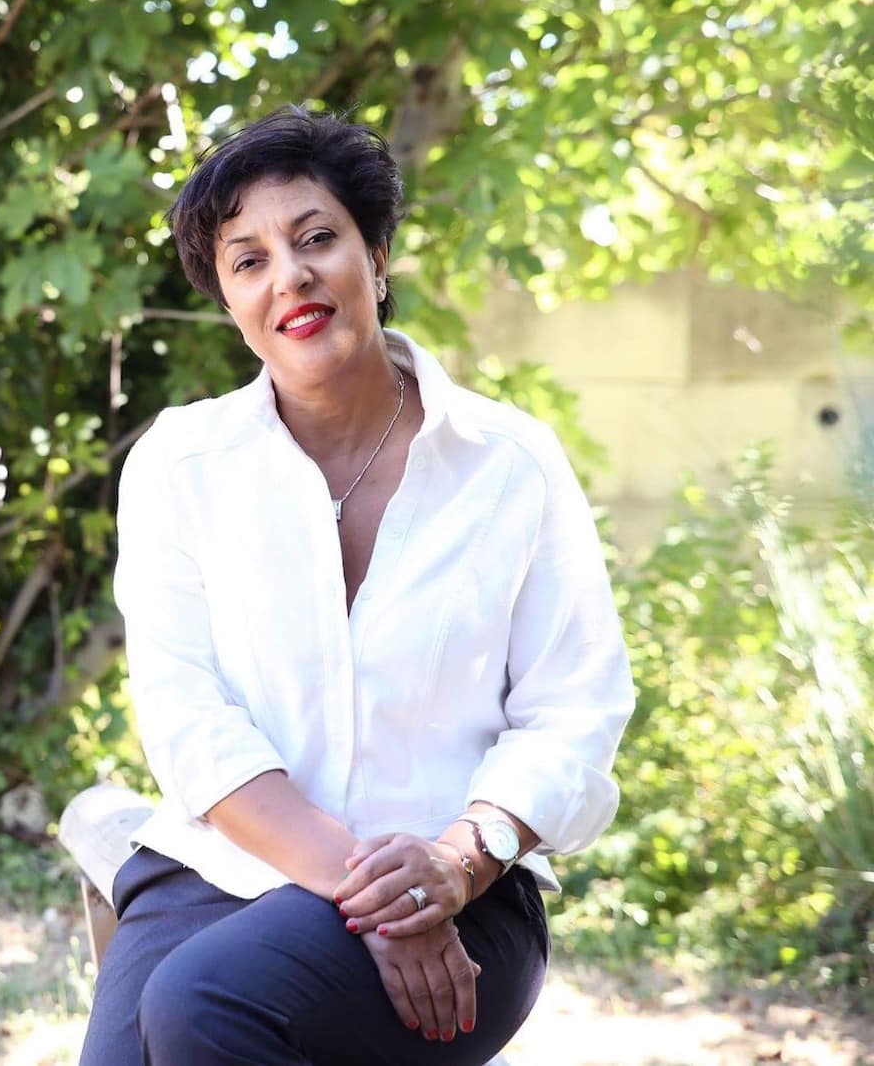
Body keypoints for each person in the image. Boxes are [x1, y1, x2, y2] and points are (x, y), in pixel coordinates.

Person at [79, 107, 635, 1065]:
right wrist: (374, 897)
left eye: (316, 239)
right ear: (227, 299)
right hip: (221, 870)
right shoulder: (181, 463)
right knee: (152, 1031)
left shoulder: (509, 464)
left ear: (375, 256)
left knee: (203, 1006)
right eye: (248, 260)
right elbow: (187, 719)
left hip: (464, 891)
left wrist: (451, 869)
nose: (288, 276)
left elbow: (575, 713)